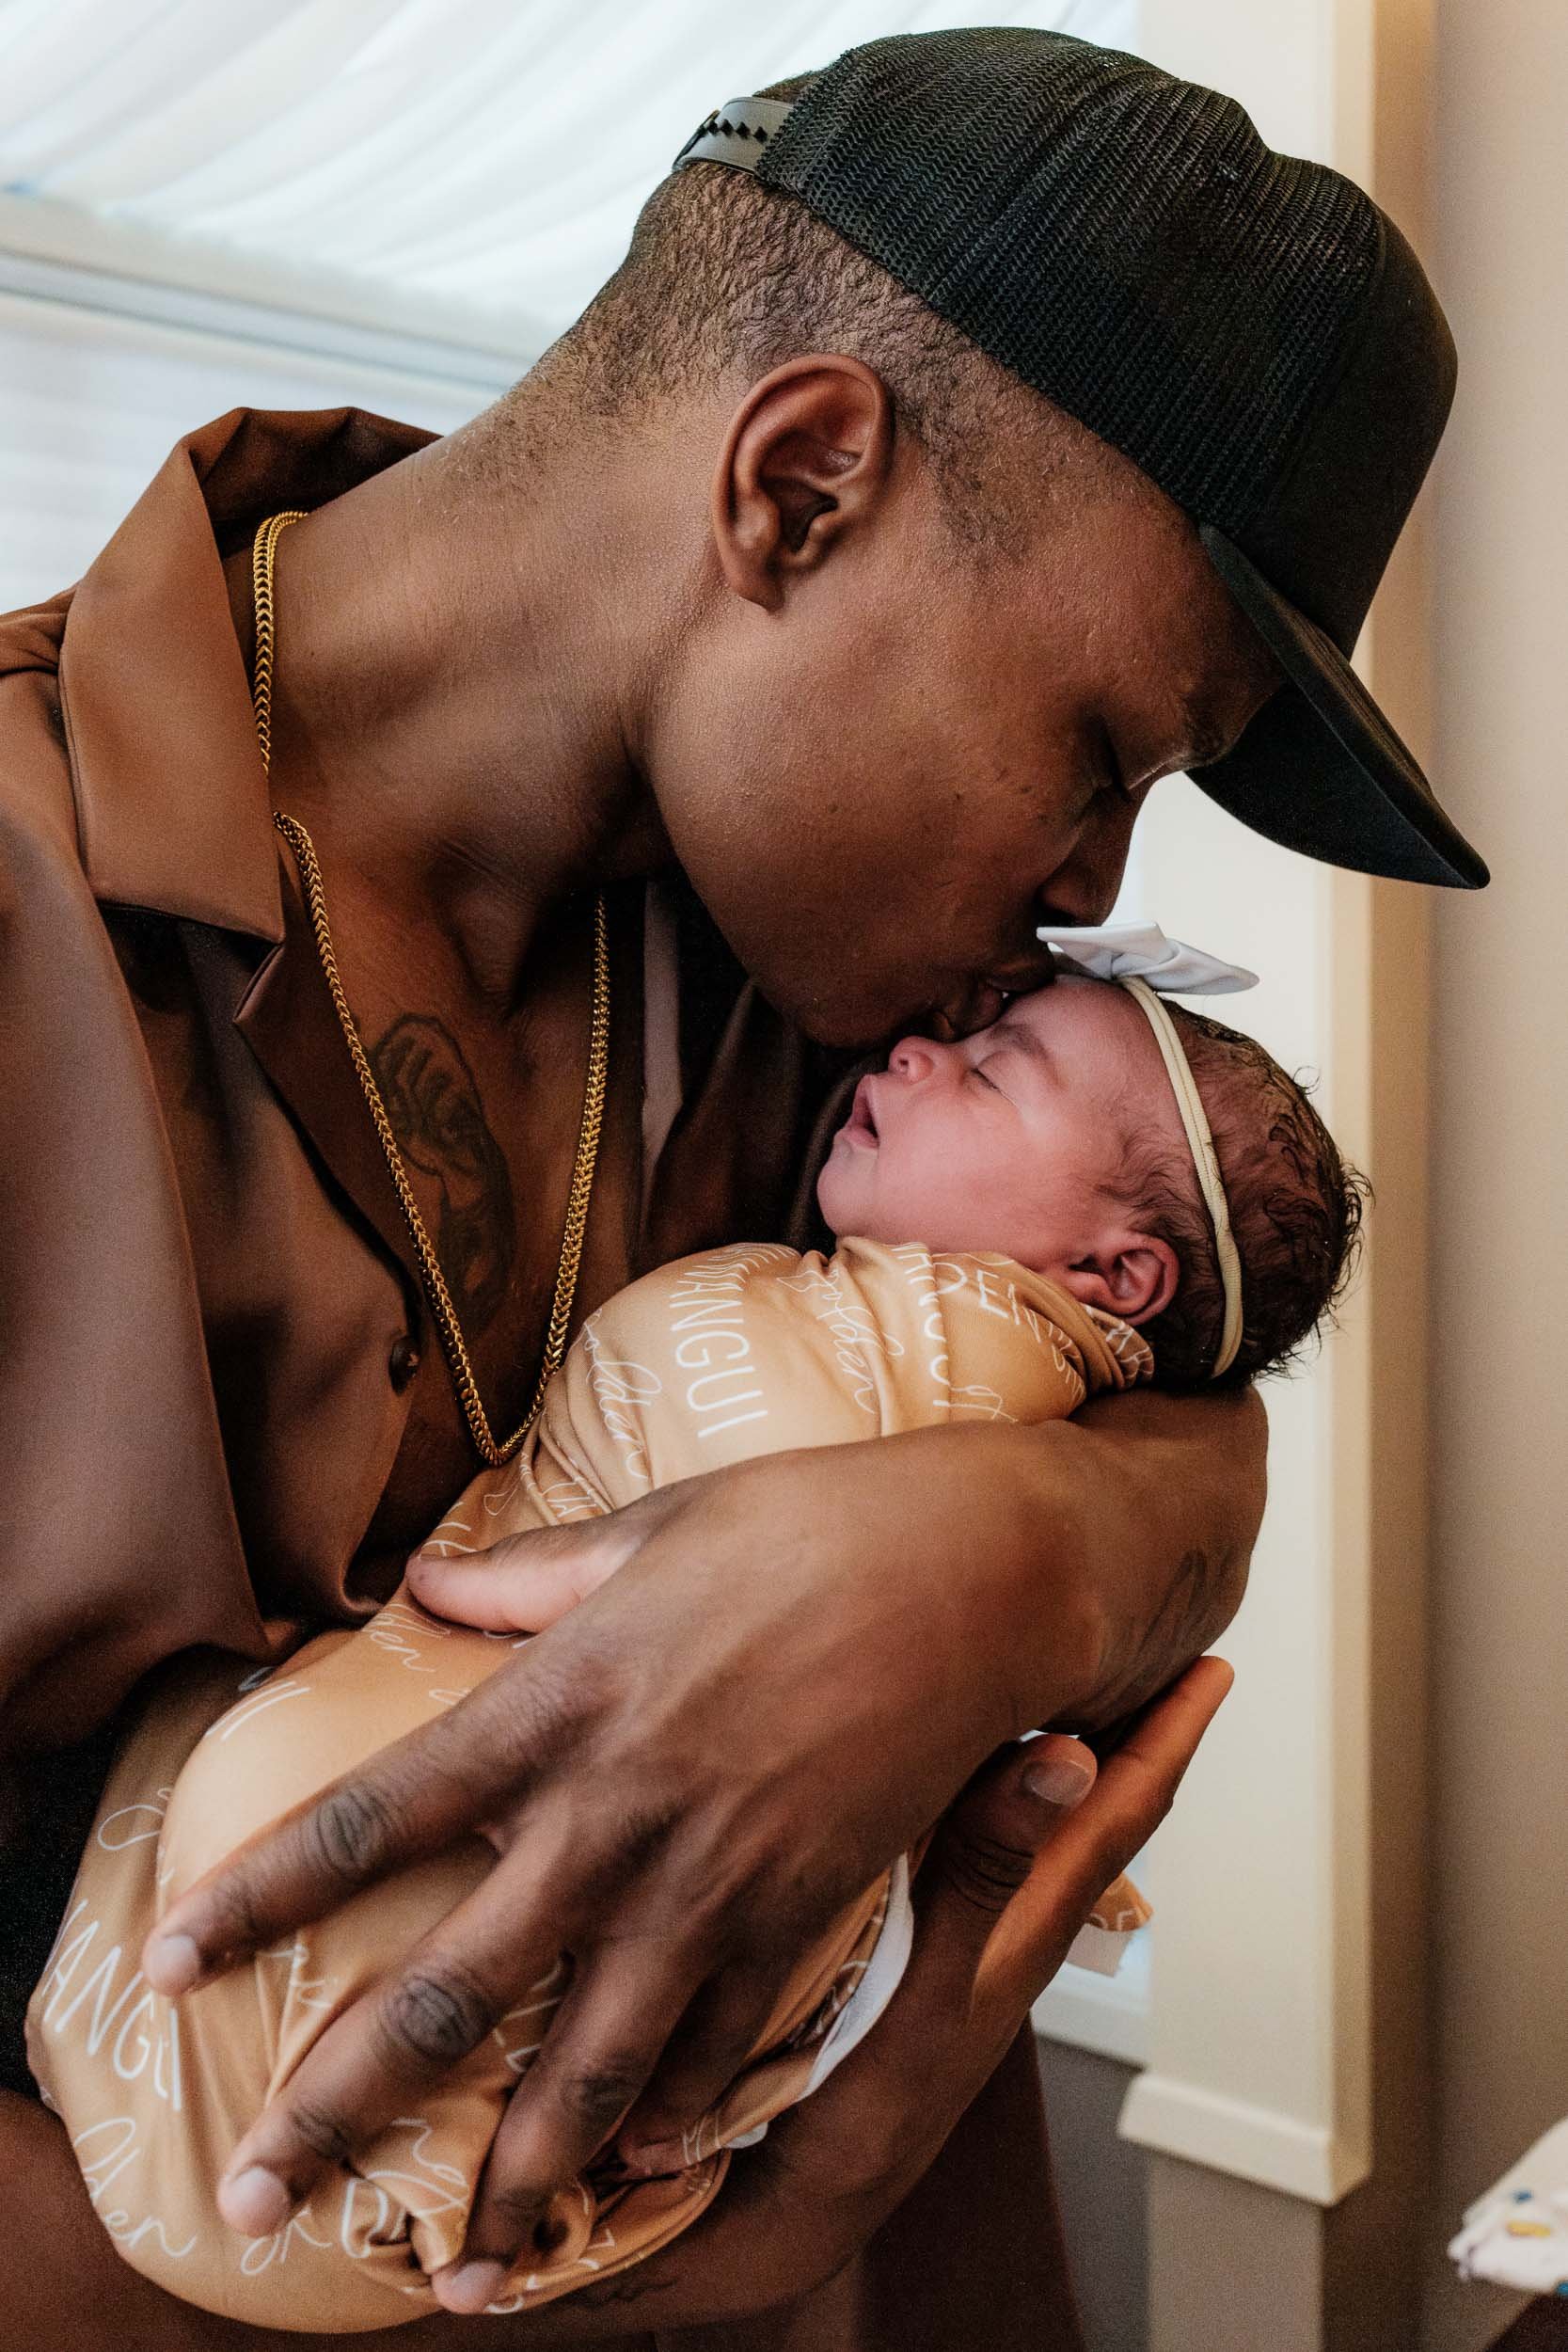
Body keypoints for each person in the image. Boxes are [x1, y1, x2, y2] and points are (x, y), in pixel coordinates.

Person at [0, 27, 1483, 2352]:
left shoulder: (818, 962)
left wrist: (988, 1562)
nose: (1095, 881)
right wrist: (755, 2244)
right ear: (798, 487)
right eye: (1103, 751)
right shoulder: (27, 910)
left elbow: (1186, 1376)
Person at [31, 965, 1364, 2330]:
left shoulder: (960, 1357)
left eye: (991, 1069)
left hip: (464, 2069)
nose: (917, 1048)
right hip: (188, 2173)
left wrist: (999, 1560)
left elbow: (1188, 1451)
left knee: (319, 1868)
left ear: (1111, 1278)